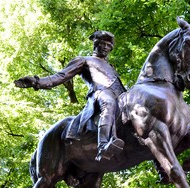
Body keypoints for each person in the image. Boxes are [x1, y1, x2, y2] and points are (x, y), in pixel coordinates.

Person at [15, 31, 126, 161]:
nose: (106, 47)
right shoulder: (84, 60)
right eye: (103, 44)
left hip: (120, 95)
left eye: (109, 45)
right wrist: (37, 82)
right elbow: (61, 76)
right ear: (96, 44)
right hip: (100, 94)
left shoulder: (111, 67)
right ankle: (103, 145)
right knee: (108, 103)